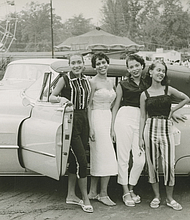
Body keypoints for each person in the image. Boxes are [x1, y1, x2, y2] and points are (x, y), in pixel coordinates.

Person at [139, 60, 190, 211]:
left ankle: (170, 198)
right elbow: (143, 116)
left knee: (169, 165)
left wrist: (173, 111)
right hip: (150, 127)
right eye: (158, 70)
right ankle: (156, 196)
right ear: (150, 72)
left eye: (163, 71)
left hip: (166, 128)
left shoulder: (168, 89)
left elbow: (186, 98)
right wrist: (141, 137)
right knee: (152, 164)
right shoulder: (145, 94)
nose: (161, 73)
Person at [49, 54, 93, 213]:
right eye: (73, 63)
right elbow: (52, 96)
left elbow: (89, 105)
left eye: (79, 62)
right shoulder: (64, 79)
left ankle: (71, 195)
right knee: (82, 161)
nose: (76, 65)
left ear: (83, 63)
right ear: (69, 64)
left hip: (84, 121)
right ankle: (85, 198)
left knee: (75, 160)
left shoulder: (87, 81)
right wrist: (62, 100)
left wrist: (91, 127)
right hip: (71, 122)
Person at [111, 54, 147, 207]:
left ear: (142, 66)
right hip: (124, 117)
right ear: (128, 69)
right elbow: (116, 106)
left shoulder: (148, 84)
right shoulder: (123, 84)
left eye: (136, 65)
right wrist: (112, 127)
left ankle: (131, 187)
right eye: (131, 67)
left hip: (141, 118)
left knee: (140, 159)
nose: (134, 69)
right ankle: (126, 191)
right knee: (123, 157)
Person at [87, 52, 118, 206]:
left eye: (103, 62)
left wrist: (112, 127)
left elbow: (112, 105)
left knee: (101, 155)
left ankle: (94, 192)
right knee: (103, 155)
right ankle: (102, 194)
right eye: (98, 64)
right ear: (94, 67)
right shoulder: (93, 82)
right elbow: (89, 105)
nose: (101, 66)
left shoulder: (111, 82)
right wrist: (91, 128)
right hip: (96, 118)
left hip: (108, 117)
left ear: (107, 63)